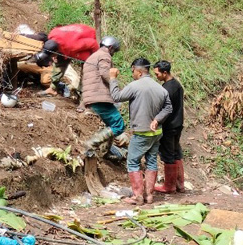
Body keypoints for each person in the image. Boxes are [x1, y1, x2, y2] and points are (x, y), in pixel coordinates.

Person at [109, 58, 173, 204]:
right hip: (156, 133)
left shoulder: (135, 86)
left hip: (142, 132)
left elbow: (116, 97)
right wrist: (157, 120)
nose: (132, 74)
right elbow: (168, 108)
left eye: (132, 71)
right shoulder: (160, 88)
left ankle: (138, 196)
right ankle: (149, 195)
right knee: (151, 161)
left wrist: (113, 78)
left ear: (138, 71)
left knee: (132, 161)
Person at [78, 35, 126, 159]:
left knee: (110, 125)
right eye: (114, 50)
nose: (113, 53)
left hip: (90, 96)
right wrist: (116, 85)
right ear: (110, 47)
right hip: (100, 97)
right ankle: (91, 144)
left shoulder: (92, 57)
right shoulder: (105, 56)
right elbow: (106, 74)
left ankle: (105, 152)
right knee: (118, 125)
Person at [34, 23, 99, 96]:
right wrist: (55, 56)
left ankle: (82, 94)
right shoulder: (52, 36)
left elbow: (93, 43)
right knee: (59, 62)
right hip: (68, 39)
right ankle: (52, 88)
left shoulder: (73, 46)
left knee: (87, 68)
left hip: (87, 36)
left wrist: (96, 58)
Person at [153, 60, 186, 194]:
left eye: (157, 73)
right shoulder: (177, 85)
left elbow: (165, 109)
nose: (156, 76)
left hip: (169, 126)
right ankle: (180, 184)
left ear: (164, 72)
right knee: (176, 153)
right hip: (178, 124)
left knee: (168, 155)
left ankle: (169, 186)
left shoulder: (166, 89)